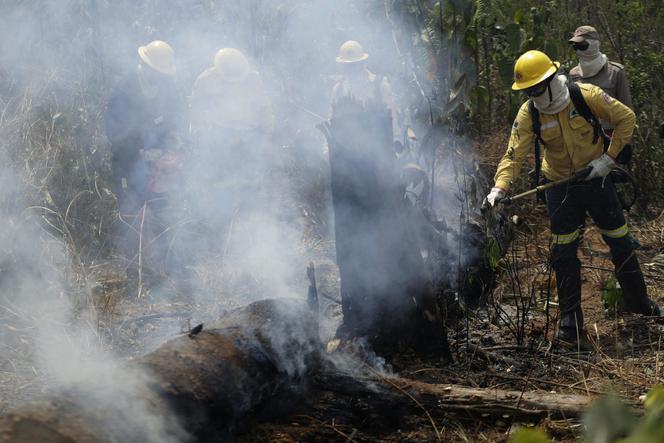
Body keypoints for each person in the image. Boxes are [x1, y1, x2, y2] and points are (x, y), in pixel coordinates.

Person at [484, 50, 660, 344]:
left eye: (536, 88)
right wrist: (499, 188)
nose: (532, 95)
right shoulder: (530, 113)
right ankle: (570, 323)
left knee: (619, 239)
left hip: (596, 179)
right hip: (559, 186)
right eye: (527, 91)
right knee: (563, 251)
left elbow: (626, 119)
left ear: (551, 80)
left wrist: (608, 160)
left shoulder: (585, 95)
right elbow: (513, 154)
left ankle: (639, 303)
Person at [105, 40, 184, 216]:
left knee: (161, 211)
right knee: (130, 210)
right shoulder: (124, 88)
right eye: (157, 73)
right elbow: (115, 132)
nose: (161, 78)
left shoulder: (167, 86)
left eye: (163, 74)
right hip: (127, 160)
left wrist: (171, 141)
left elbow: (175, 117)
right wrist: (141, 152)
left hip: (159, 163)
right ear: (145, 66)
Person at [330, 40, 401, 143]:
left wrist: (396, 140)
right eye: (348, 65)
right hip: (348, 151)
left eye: (355, 64)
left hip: (381, 146)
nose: (352, 68)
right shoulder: (338, 90)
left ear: (363, 63)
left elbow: (393, 116)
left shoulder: (380, 85)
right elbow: (332, 122)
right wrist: (328, 150)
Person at [569, 26, 633, 111]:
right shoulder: (574, 74)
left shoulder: (615, 72)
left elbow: (627, 110)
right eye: (575, 46)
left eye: (582, 45)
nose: (578, 50)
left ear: (594, 44)